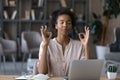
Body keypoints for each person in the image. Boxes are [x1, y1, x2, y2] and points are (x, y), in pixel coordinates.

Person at [38, 8, 90, 77]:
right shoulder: (47, 44)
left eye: (68, 23)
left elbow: (86, 71)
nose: (65, 25)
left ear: (71, 26)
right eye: (62, 22)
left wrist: (86, 46)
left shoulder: (79, 45)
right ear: (56, 25)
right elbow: (42, 72)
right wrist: (45, 46)